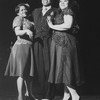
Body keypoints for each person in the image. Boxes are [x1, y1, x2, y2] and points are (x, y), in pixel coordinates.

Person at [47, 0, 81, 100]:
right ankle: (66, 96)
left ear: (69, 3)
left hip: (65, 42)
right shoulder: (60, 12)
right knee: (63, 69)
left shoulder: (68, 11)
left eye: (65, 1)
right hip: (59, 42)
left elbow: (67, 25)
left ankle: (75, 96)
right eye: (60, 1)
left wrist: (52, 26)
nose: (62, 2)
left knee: (65, 68)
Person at [4, 3, 35, 100]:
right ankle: (20, 97)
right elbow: (17, 32)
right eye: (21, 10)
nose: (24, 11)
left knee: (28, 73)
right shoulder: (18, 19)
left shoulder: (28, 20)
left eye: (25, 10)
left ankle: (29, 94)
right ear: (17, 12)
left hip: (29, 47)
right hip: (21, 46)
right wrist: (26, 31)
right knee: (21, 73)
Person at [32, 0, 56, 99]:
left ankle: (49, 95)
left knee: (49, 68)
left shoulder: (56, 10)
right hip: (37, 42)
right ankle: (43, 94)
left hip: (49, 41)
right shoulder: (35, 11)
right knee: (40, 68)